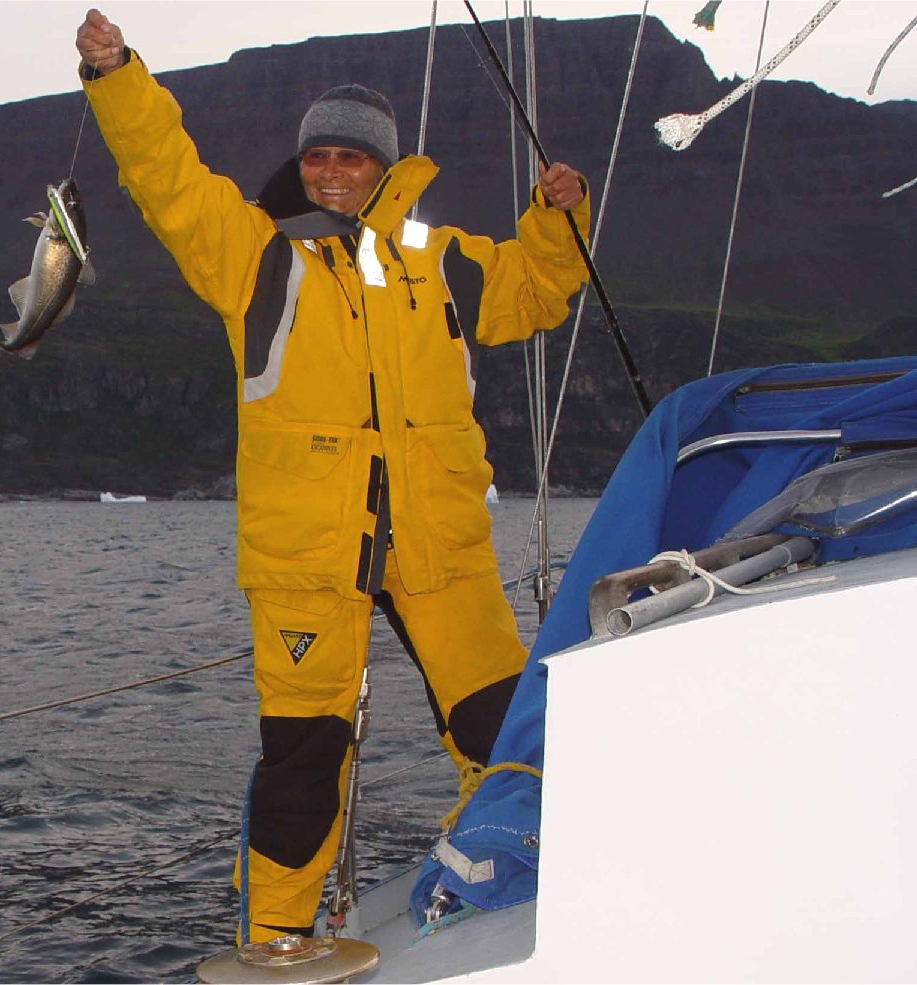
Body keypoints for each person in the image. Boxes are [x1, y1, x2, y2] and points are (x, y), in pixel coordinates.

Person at [74, 8, 591, 945]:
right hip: (308, 557)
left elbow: (536, 291)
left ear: (383, 166)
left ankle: (513, 865)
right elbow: (167, 179)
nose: (332, 171)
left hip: (439, 543)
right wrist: (117, 78)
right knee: (304, 757)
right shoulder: (254, 256)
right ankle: (274, 938)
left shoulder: (441, 260)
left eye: (352, 156)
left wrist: (556, 221)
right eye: (318, 156)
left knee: (504, 723)